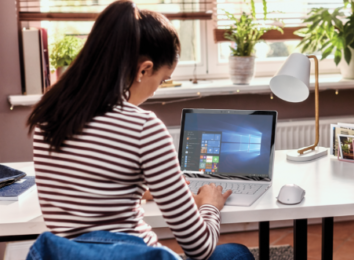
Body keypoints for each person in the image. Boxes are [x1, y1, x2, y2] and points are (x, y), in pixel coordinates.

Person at [26, 1, 253, 259]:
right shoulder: (144, 126)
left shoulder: (47, 116)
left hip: (67, 255)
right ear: (144, 70)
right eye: (163, 79)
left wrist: (136, 187)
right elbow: (199, 248)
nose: (157, 88)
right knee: (236, 253)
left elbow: (85, 193)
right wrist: (211, 205)